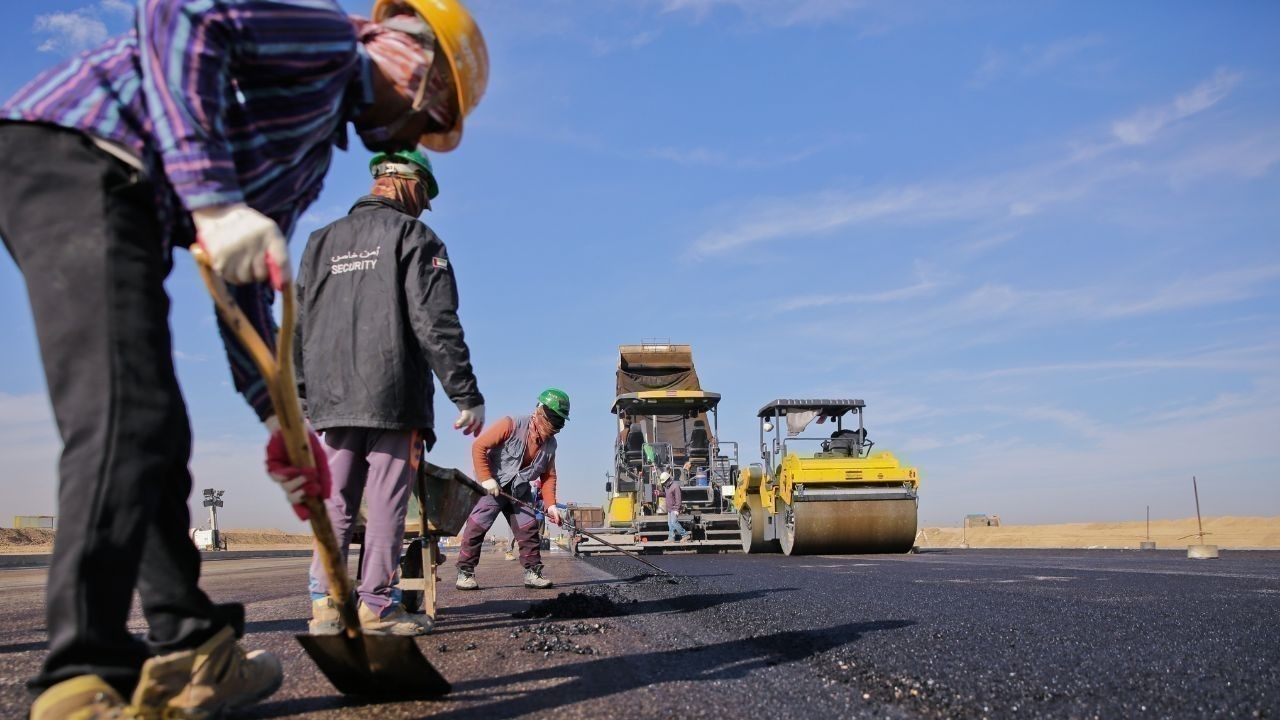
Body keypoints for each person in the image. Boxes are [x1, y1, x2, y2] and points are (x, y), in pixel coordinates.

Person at [0, 1, 487, 717]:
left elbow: (248, 283)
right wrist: (211, 198)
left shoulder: (309, 155)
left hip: (131, 199)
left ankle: (192, 645)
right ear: (414, 61)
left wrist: (276, 417)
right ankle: (80, 675)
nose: (415, 136)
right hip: (78, 152)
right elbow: (178, 14)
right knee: (124, 419)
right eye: (430, 116)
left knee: (157, 432)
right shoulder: (327, 36)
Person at [297, 149, 484, 637]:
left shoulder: (320, 242)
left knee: (336, 500)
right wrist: (465, 393)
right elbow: (435, 321)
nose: (423, 207)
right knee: (385, 503)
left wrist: (303, 394)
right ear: (408, 183)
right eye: (424, 196)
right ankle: (376, 607)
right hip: (393, 396)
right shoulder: (415, 237)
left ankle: (325, 605)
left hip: (332, 399)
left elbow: (299, 324)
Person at [456, 390, 570, 590]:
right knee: (477, 526)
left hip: (519, 490)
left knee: (529, 529)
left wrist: (551, 505)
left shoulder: (551, 444)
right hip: (493, 486)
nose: (554, 427)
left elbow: (548, 476)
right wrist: (486, 478)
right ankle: (465, 572)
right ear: (539, 412)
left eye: (558, 423)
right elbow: (479, 446)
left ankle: (533, 573)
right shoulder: (511, 424)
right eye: (552, 420)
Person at [661, 471, 691, 543]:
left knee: (674, 522)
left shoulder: (675, 486)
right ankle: (671, 538)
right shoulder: (667, 487)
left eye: (664, 482)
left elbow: (678, 499)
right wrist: (659, 493)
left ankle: (685, 535)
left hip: (674, 508)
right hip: (669, 508)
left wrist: (677, 509)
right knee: (670, 524)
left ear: (668, 480)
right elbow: (667, 495)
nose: (664, 484)